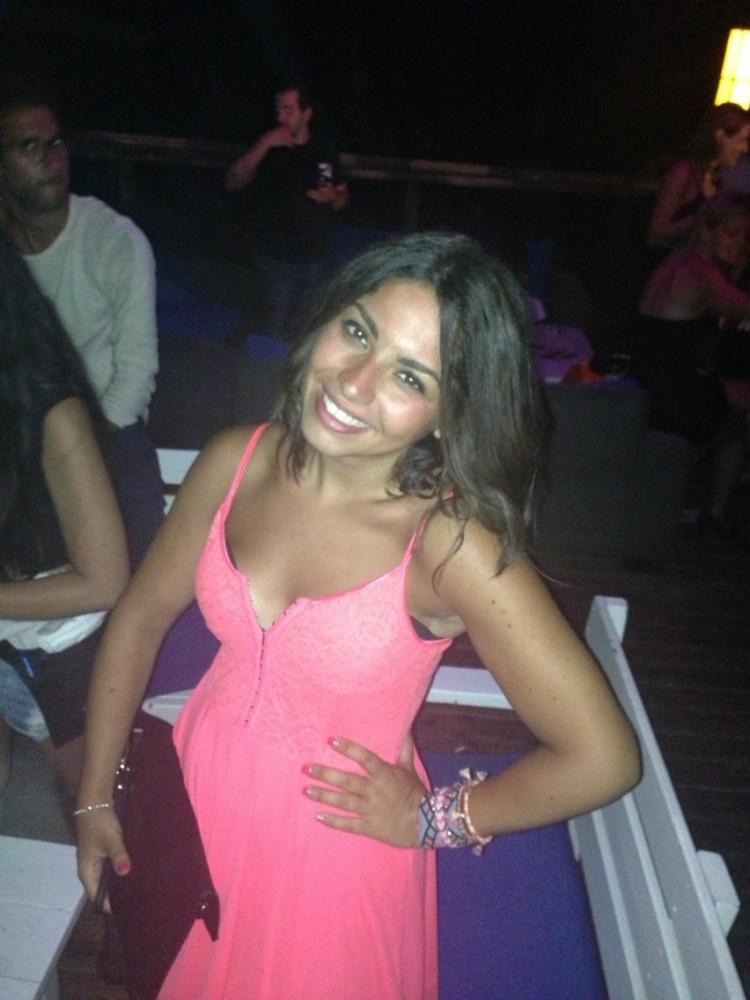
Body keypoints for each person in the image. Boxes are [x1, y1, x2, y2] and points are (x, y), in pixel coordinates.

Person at [76, 232, 640, 999]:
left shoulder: (450, 544)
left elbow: (603, 757)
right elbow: (140, 618)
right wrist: (96, 794)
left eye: (409, 376)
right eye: (357, 331)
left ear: (449, 413)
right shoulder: (237, 460)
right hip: (194, 797)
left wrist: (434, 819)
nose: (353, 382)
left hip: (332, 852)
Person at [0, 80, 163, 568]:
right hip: (18, 431)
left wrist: (76, 453)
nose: (51, 157)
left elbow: (136, 374)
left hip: (105, 427)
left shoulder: (115, 240)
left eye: (56, 142)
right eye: (30, 146)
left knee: (132, 557)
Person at [0, 232, 129, 802]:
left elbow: (104, 580)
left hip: (58, 652)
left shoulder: (53, 413)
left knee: (94, 814)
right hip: (14, 640)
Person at [637, 192, 750, 533]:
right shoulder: (701, 273)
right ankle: (703, 504)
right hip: (673, 397)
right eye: (732, 233)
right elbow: (741, 307)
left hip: (654, 381)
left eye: (746, 237)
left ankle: (707, 505)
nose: (740, 244)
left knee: (739, 403)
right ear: (707, 230)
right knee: (741, 411)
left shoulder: (680, 259)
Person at [225, 81, 349, 339]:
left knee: (307, 330)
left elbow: (343, 196)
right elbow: (233, 182)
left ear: (306, 114)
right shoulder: (267, 148)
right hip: (273, 257)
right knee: (272, 329)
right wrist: (264, 143)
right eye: (278, 110)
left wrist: (332, 197)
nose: (281, 117)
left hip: (314, 258)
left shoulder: (323, 150)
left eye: (288, 110)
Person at [647, 102, 750, 252]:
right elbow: (655, 234)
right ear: (720, 136)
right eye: (742, 140)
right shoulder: (684, 172)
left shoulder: (720, 173)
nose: (745, 148)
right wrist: (704, 214)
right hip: (676, 261)